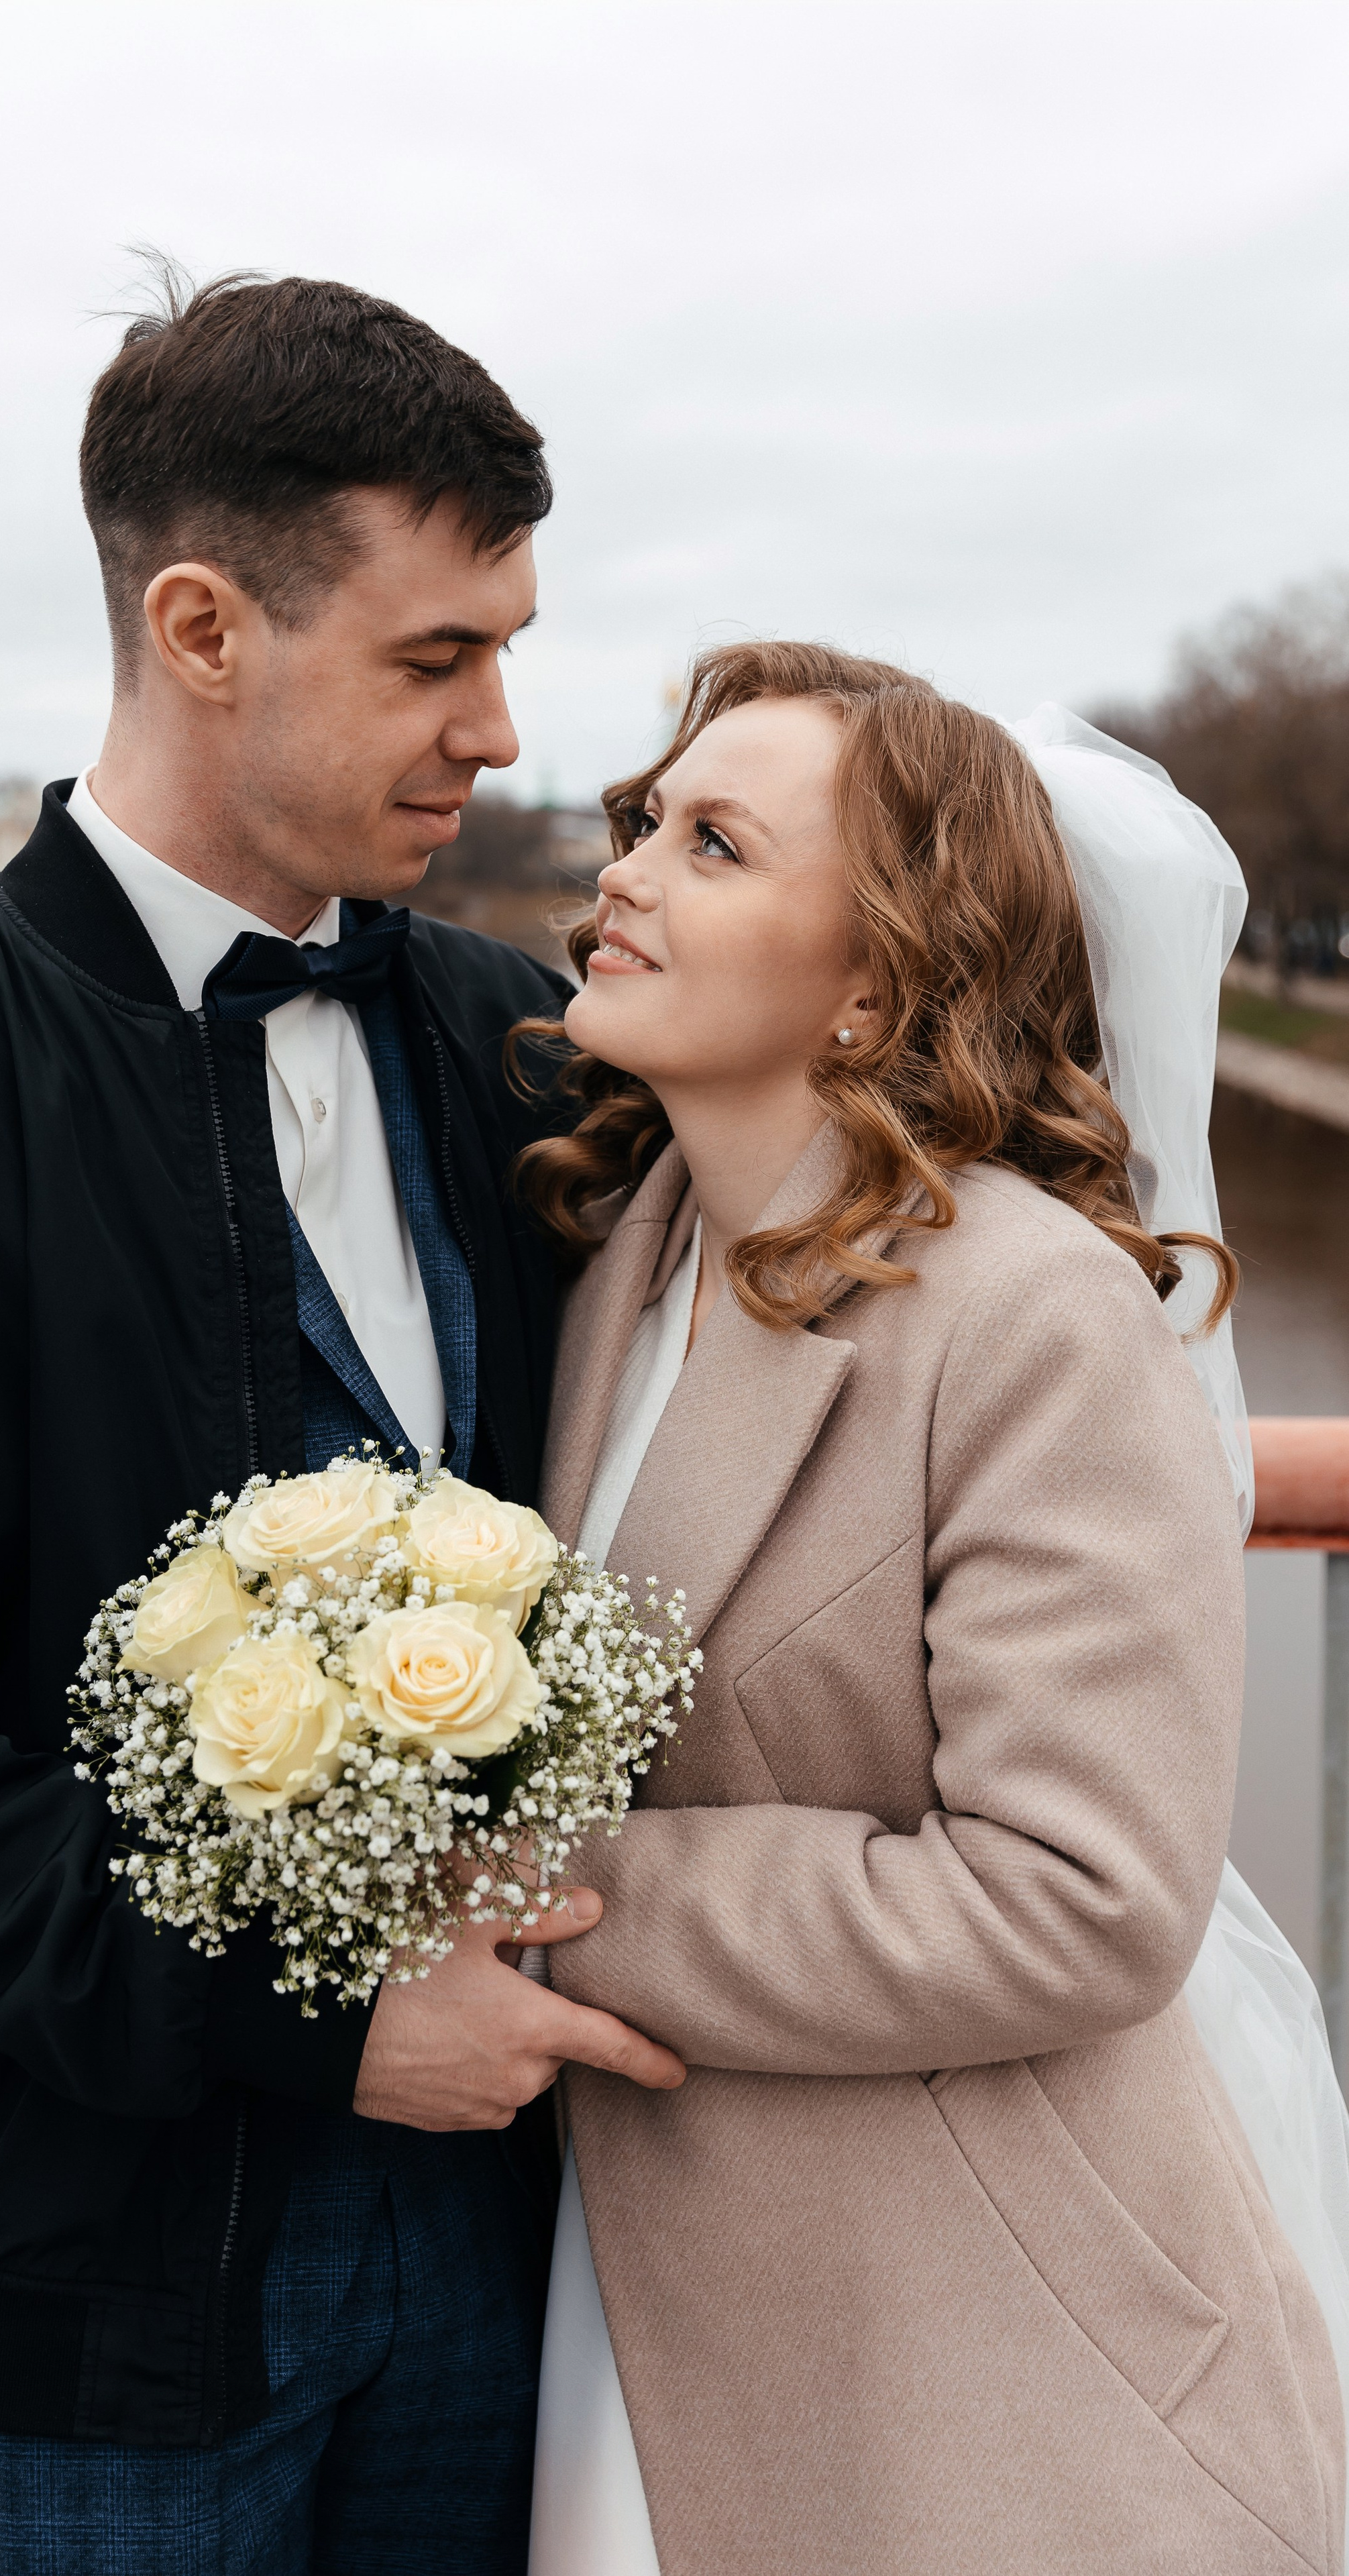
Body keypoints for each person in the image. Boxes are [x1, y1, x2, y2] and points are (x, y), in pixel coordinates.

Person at [0, 270, 684, 2576]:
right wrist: (313, 2023)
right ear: (203, 626)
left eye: (508, 648)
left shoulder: (527, 1051)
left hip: (516, 2239)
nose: (501, 730)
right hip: (75, 2287)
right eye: (436, 656)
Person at [515, 642, 1347, 2575]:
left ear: (875, 982)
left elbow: (1082, 1896)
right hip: (630, 2282)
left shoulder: (1031, 1312)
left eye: (715, 845)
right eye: (644, 819)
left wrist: (554, 1897)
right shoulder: (621, 1257)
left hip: (959, 2339)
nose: (624, 867)